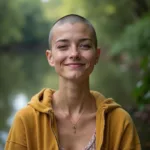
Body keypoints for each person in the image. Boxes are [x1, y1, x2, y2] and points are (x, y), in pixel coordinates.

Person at [5, 14, 141, 150]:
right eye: (63, 47)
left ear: (97, 56)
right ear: (50, 57)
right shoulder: (26, 120)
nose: (74, 54)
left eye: (85, 46)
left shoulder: (119, 121)